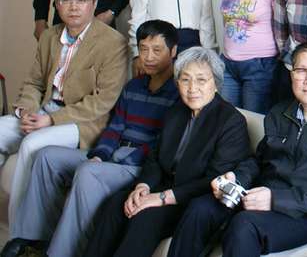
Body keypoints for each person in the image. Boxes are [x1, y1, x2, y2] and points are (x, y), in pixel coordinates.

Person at [167, 42, 307, 257]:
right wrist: (236, 178)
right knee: (200, 208)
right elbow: (258, 161)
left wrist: (274, 199)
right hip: (259, 197)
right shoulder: (279, 113)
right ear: (291, 74)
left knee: (244, 225)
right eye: (301, 70)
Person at [1, 20, 180, 257]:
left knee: (88, 172)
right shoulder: (133, 87)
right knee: (46, 156)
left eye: (157, 50)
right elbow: (115, 127)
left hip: (137, 165)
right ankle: (33, 238)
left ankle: (58, 253)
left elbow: (161, 144)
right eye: (143, 49)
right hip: (111, 156)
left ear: (173, 51)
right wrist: (100, 155)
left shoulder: (179, 92)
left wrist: (115, 160)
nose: (148, 57)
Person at [83, 47, 251, 257]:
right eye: (185, 79)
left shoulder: (231, 121)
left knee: (145, 216)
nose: (192, 88)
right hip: (163, 188)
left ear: (215, 84)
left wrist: (162, 198)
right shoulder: (176, 111)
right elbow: (155, 156)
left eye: (201, 80)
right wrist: (143, 186)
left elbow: (214, 179)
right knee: (116, 203)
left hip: (193, 200)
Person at [0, 0, 128, 226]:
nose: (73, 7)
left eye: (81, 0)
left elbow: (103, 102)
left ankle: (21, 233)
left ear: (94, 3)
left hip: (82, 121)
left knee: (32, 145)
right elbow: (34, 83)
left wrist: (51, 120)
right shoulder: (50, 37)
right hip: (43, 110)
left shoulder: (113, 43)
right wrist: (27, 110)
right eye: (65, 0)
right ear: (56, 5)